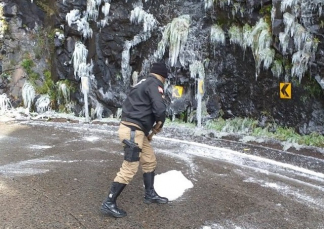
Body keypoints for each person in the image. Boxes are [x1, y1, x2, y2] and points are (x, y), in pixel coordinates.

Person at [100, 62, 169, 218]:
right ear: (163, 76)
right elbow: (159, 108)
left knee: (149, 160)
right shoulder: (155, 83)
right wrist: (159, 124)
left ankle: (149, 194)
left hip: (135, 130)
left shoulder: (142, 83)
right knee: (129, 167)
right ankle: (109, 202)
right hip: (133, 131)